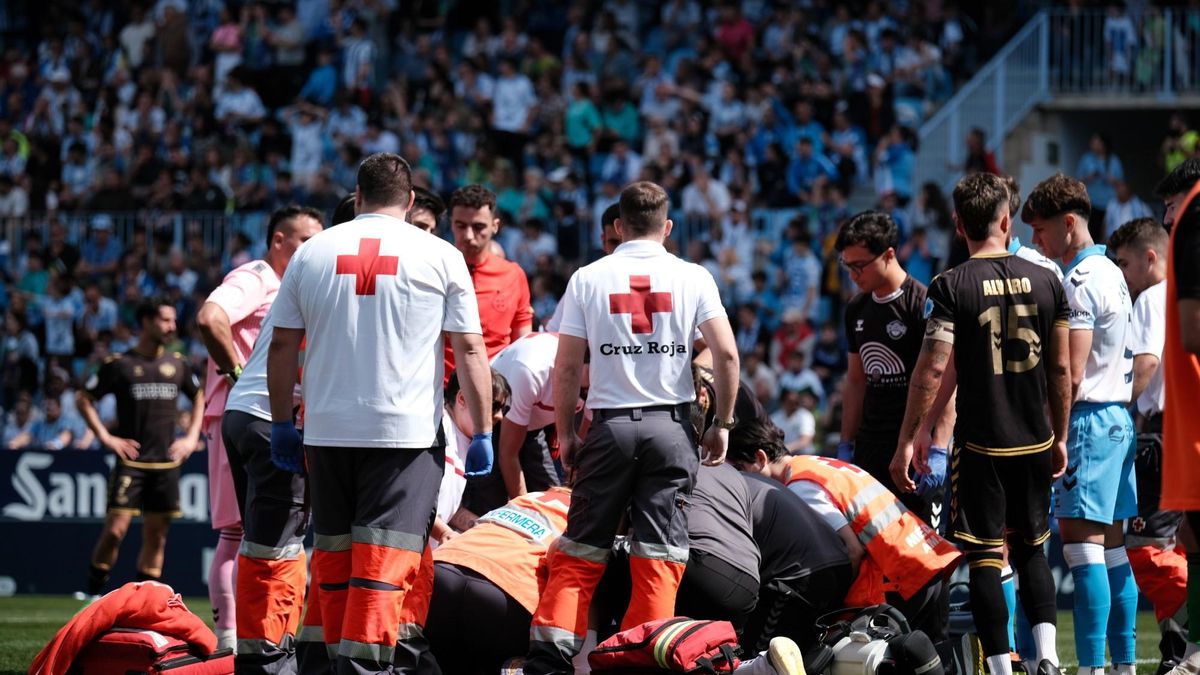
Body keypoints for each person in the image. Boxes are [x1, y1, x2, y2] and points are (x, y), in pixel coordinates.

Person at [265, 153, 495, 674]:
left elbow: (282, 347)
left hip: (325, 434)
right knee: (382, 569)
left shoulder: (312, 252)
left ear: (358, 193)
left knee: (335, 559)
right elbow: (473, 351)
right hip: (403, 439)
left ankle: (322, 666)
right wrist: (481, 430)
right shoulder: (438, 254)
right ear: (411, 201)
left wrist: (283, 422)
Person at [525, 181, 739, 674]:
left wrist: (567, 433)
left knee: (580, 552)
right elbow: (726, 354)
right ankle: (641, 661)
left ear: (618, 227)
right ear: (667, 228)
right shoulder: (694, 277)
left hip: (610, 426)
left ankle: (547, 664)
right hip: (671, 428)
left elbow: (566, 366)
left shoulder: (588, 277)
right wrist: (722, 423)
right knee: (659, 555)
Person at [892, 171, 1070, 675]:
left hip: (982, 444)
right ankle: (1049, 659)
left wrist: (911, 438)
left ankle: (999, 666)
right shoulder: (1047, 281)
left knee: (989, 558)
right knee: (1035, 549)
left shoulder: (951, 285)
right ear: (1006, 219)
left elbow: (932, 366)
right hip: (1035, 438)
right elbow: (1060, 369)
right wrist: (1059, 432)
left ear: (957, 224)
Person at [1023, 173, 1137, 675]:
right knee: (1111, 548)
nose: (1035, 241)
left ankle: (1092, 668)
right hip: (1118, 416)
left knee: (1080, 547)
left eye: (1042, 230)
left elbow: (1068, 368)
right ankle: (1123, 664)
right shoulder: (1111, 270)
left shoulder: (1081, 281)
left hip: (1089, 420)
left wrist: (1059, 435)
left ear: (1069, 223)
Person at [197, 205, 324, 652]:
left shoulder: (291, 285)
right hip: (249, 412)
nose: (314, 249)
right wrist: (238, 371)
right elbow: (210, 318)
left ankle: (243, 638)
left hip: (252, 411)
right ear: (278, 241)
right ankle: (232, 642)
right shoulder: (257, 278)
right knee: (238, 532)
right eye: (306, 241)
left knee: (251, 532)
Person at [76, 297, 204, 599]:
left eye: (173, 320)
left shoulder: (178, 365)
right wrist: (107, 438)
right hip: (132, 463)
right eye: (165, 320)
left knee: (157, 536)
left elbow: (199, 397)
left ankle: (144, 602)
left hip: (166, 464)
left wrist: (190, 437)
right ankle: (93, 593)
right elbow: (83, 399)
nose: (172, 326)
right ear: (146, 322)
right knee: (114, 531)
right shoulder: (119, 365)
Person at [1110, 217, 1191, 672]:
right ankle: (1178, 652)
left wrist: (1114, 405)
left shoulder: (1151, 298)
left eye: (1124, 263)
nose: (1122, 273)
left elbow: (1145, 363)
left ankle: (1190, 641)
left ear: (1150, 257)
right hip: (1183, 428)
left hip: (1163, 434)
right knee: (1181, 547)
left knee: (1145, 546)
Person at [835, 210, 949, 529]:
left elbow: (943, 378)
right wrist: (846, 443)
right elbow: (856, 381)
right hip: (872, 447)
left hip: (915, 448)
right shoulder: (856, 309)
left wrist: (939, 446)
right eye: (848, 266)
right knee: (875, 545)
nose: (854, 275)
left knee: (924, 551)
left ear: (888, 254)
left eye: (860, 265)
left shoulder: (923, 303)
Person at [1155, 158, 1200, 675]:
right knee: (1190, 535)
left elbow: (1191, 329)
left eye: (1171, 204)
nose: (1169, 217)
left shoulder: (1196, 214)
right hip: (1186, 419)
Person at [469, 332, 577, 516]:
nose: (582, 397)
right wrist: (523, 516)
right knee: (492, 507)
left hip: (532, 423)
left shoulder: (601, 375)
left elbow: (579, 462)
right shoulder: (531, 370)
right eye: (581, 392)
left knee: (551, 500)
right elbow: (508, 454)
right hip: (494, 421)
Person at [445, 184, 534, 377]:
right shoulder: (435, 271)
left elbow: (523, 344)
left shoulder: (513, 275)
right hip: (441, 392)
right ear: (451, 223)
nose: (468, 236)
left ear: (495, 226)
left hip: (497, 391)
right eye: (461, 225)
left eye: (478, 227)